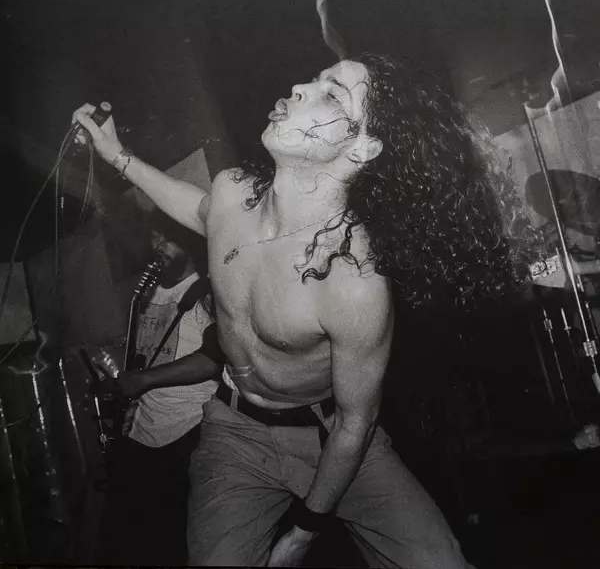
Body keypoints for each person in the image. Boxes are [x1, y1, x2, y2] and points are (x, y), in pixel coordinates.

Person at [73, 53, 516, 567]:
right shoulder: (232, 192)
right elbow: (198, 208)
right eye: (314, 79)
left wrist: (304, 533)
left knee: (440, 563)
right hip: (234, 434)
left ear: (363, 147)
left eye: (333, 94)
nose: (300, 88)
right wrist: (116, 155)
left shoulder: (354, 279)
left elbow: (356, 422)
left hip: (331, 437)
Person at [94, 212, 222, 566]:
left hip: (188, 432)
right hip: (142, 430)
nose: (158, 247)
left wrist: (145, 380)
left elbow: (212, 360)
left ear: (191, 243)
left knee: (177, 543)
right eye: (154, 238)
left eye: (167, 239)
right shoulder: (147, 293)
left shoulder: (207, 293)